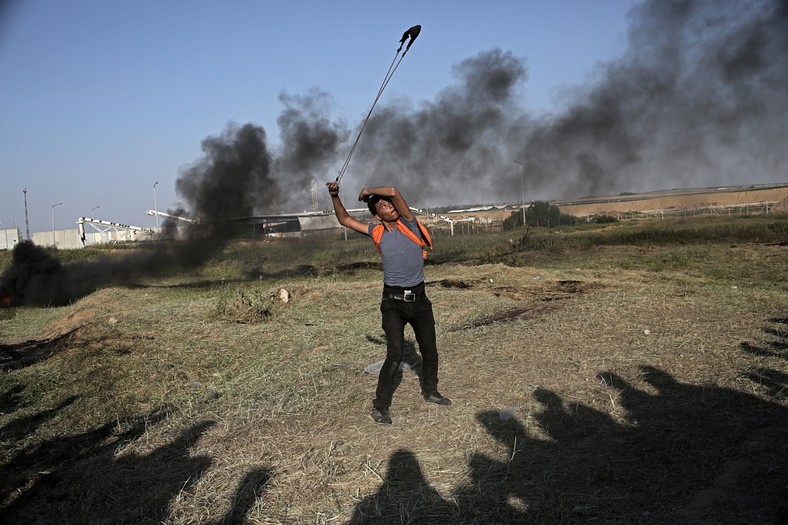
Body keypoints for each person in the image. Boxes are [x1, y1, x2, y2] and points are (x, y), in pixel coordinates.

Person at [326, 181, 451, 424]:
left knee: (429, 350)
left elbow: (393, 191)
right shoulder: (376, 232)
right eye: (384, 206)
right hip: (393, 302)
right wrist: (334, 196)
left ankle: (431, 392)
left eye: (390, 204)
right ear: (377, 215)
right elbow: (344, 220)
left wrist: (367, 192)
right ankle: (380, 407)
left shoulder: (409, 224)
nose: (390, 207)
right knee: (394, 354)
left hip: (419, 301)